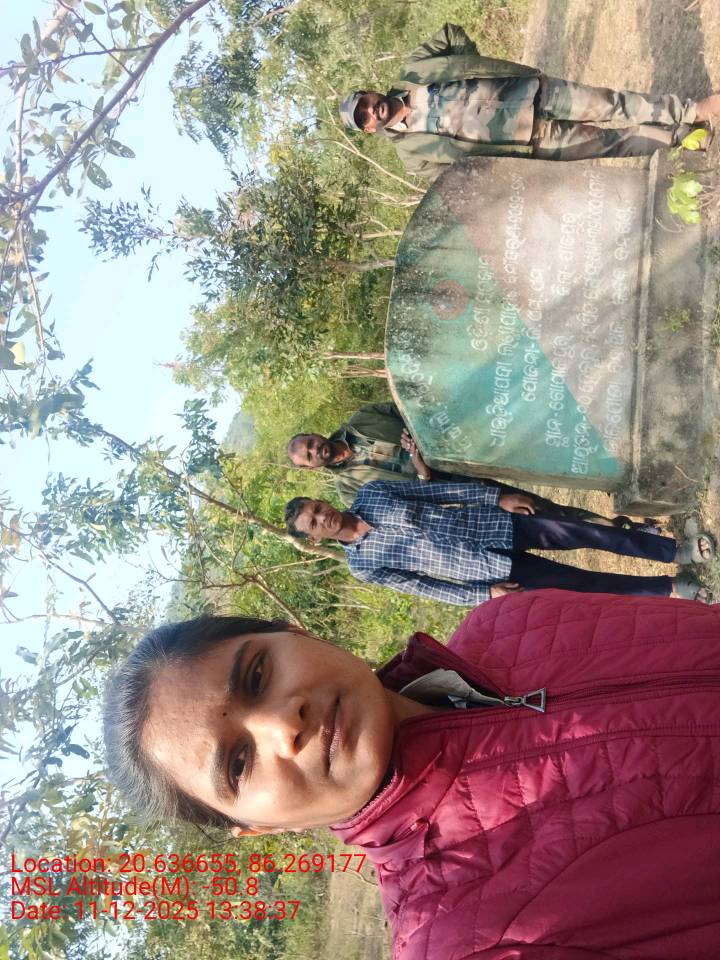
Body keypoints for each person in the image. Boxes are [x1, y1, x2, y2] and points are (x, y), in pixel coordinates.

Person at [103, 590, 720, 958]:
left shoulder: (506, 623)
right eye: (238, 763)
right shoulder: (470, 939)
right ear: (258, 828)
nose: (283, 723)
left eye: (257, 675)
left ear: (296, 633)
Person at [338, 23, 719, 181]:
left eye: (364, 102)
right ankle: (681, 136)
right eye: (363, 117)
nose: (370, 110)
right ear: (369, 129)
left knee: (612, 104)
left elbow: (451, 33)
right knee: (612, 143)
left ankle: (693, 110)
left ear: (370, 93)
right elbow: (459, 179)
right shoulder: (412, 156)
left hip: (531, 91)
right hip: (531, 141)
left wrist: (476, 67)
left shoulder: (414, 69)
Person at [284, 480, 714, 604]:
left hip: (495, 523)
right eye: (314, 523)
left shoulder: (374, 493)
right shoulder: (362, 566)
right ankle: (668, 588)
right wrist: (482, 595)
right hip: (488, 571)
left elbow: (439, 492)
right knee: (582, 584)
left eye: (317, 508)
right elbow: (423, 586)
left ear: (322, 500)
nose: (323, 517)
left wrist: (495, 497)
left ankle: (674, 551)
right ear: (315, 539)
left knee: (589, 533)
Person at [287, 401, 650, 529]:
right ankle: (621, 528)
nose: (315, 450)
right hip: (454, 492)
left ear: (315, 434)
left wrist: (416, 434)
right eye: (308, 455)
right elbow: (398, 507)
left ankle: (614, 471)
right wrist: (421, 470)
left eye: (310, 443)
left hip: (464, 447)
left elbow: (407, 408)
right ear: (310, 468)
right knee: (538, 511)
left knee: (543, 453)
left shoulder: (361, 418)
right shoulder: (348, 491)